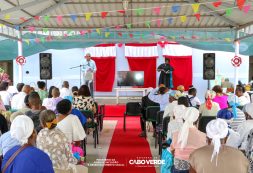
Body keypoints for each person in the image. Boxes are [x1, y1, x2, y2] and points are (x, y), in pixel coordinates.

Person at [170, 107, 206, 172]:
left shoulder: (176, 134)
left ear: (183, 119)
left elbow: (172, 151)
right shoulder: (203, 136)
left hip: (179, 167)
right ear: (197, 120)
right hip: (196, 167)